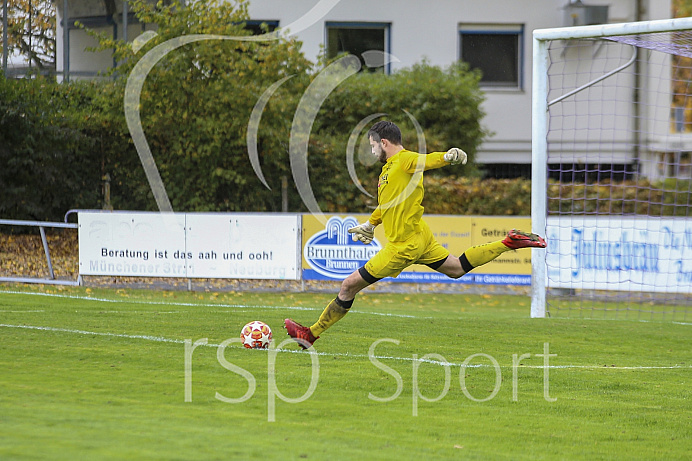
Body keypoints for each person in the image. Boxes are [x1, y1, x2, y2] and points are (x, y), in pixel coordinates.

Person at [285, 120, 546, 348]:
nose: (371, 150)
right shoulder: (389, 168)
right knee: (456, 268)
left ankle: (310, 334)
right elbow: (389, 202)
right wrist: (372, 224)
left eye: (372, 145)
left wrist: (448, 157)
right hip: (420, 236)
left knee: (349, 285)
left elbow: (426, 159)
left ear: (383, 142)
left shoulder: (404, 159)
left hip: (403, 246)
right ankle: (507, 242)